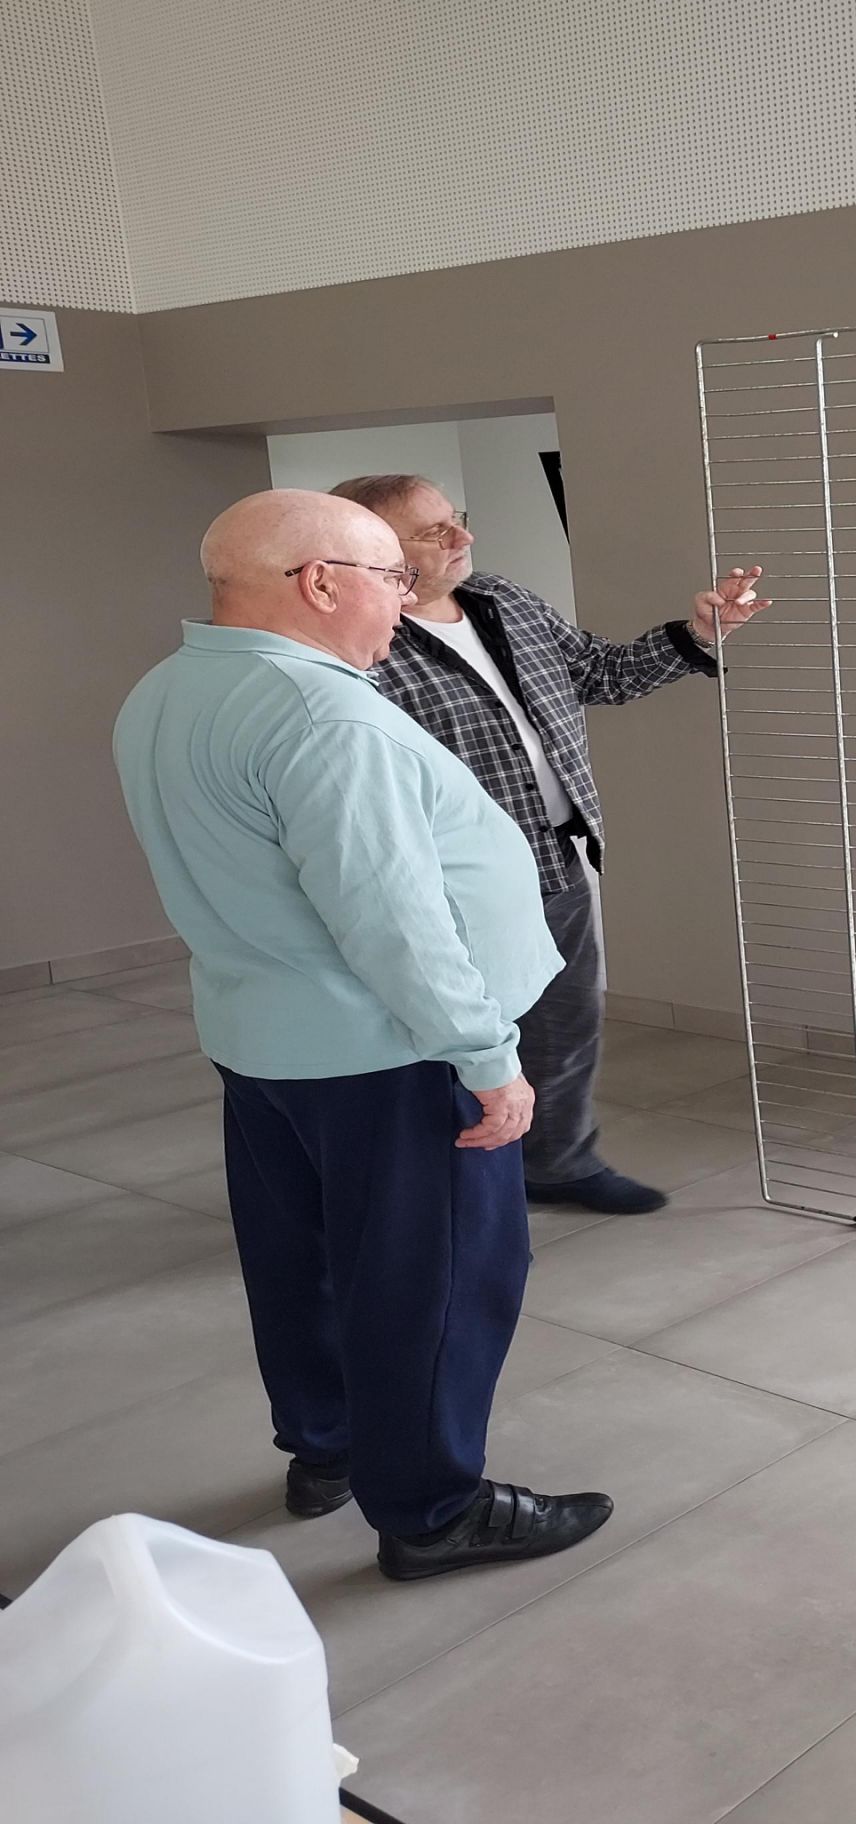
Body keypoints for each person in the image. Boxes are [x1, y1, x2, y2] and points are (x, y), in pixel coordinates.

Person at [114, 490, 614, 1579]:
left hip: (265, 1042)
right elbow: (393, 920)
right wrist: (488, 1060)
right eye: (393, 575)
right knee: (433, 1280)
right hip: (392, 1055)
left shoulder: (168, 689)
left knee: (303, 1263)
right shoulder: (326, 717)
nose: (406, 597)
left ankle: (329, 1445)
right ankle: (432, 1509)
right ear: (320, 581)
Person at [328, 474, 770, 1216]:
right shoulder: (359, 643)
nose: (463, 537)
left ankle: (555, 1163)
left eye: (457, 518)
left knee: (564, 1026)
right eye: (435, 532)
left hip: (555, 861)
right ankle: (447, 1190)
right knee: (451, 1042)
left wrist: (702, 634)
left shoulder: (503, 600)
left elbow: (602, 672)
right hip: (450, 887)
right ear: (370, 548)